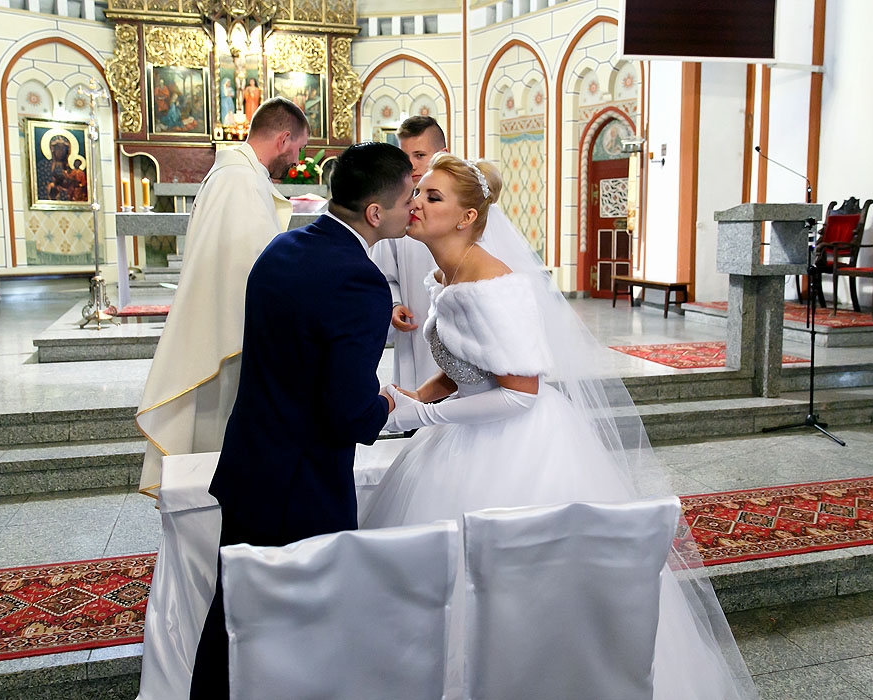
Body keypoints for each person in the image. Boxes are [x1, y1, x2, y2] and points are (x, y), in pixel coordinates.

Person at [361, 153, 759, 700]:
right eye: (418, 193)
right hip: (466, 430)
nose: (416, 204)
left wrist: (422, 414)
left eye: (433, 197)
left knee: (518, 590)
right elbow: (464, 366)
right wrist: (411, 399)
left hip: (516, 443)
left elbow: (519, 394)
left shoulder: (491, 284)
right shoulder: (443, 274)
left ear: (467, 217)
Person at [188, 142, 415, 698]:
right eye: (410, 196)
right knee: (309, 620)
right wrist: (387, 403)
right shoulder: (360, 283)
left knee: (233, 615)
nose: (416, 206)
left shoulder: (284, 247)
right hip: (303, 483)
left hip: (250, 463)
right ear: (375, 213)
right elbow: (347, 412)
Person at [135, 97, 309, 498]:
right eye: (298, 148)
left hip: (219, 333)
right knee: (216, 447)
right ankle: (210, 537)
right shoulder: (239, 182)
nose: (298, 159)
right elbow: (258, 272)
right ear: (284, 139)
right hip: (226, 342)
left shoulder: (236, 176)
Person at [368, 115, 447, 391]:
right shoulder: (394, 210)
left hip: (459, 326)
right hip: (415, 328)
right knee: (420, 406)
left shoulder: (467, 204)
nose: (411, 164)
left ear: (442, 154)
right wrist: (394, 303)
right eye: (405, 156)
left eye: (420, 155)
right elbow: (383, 274)